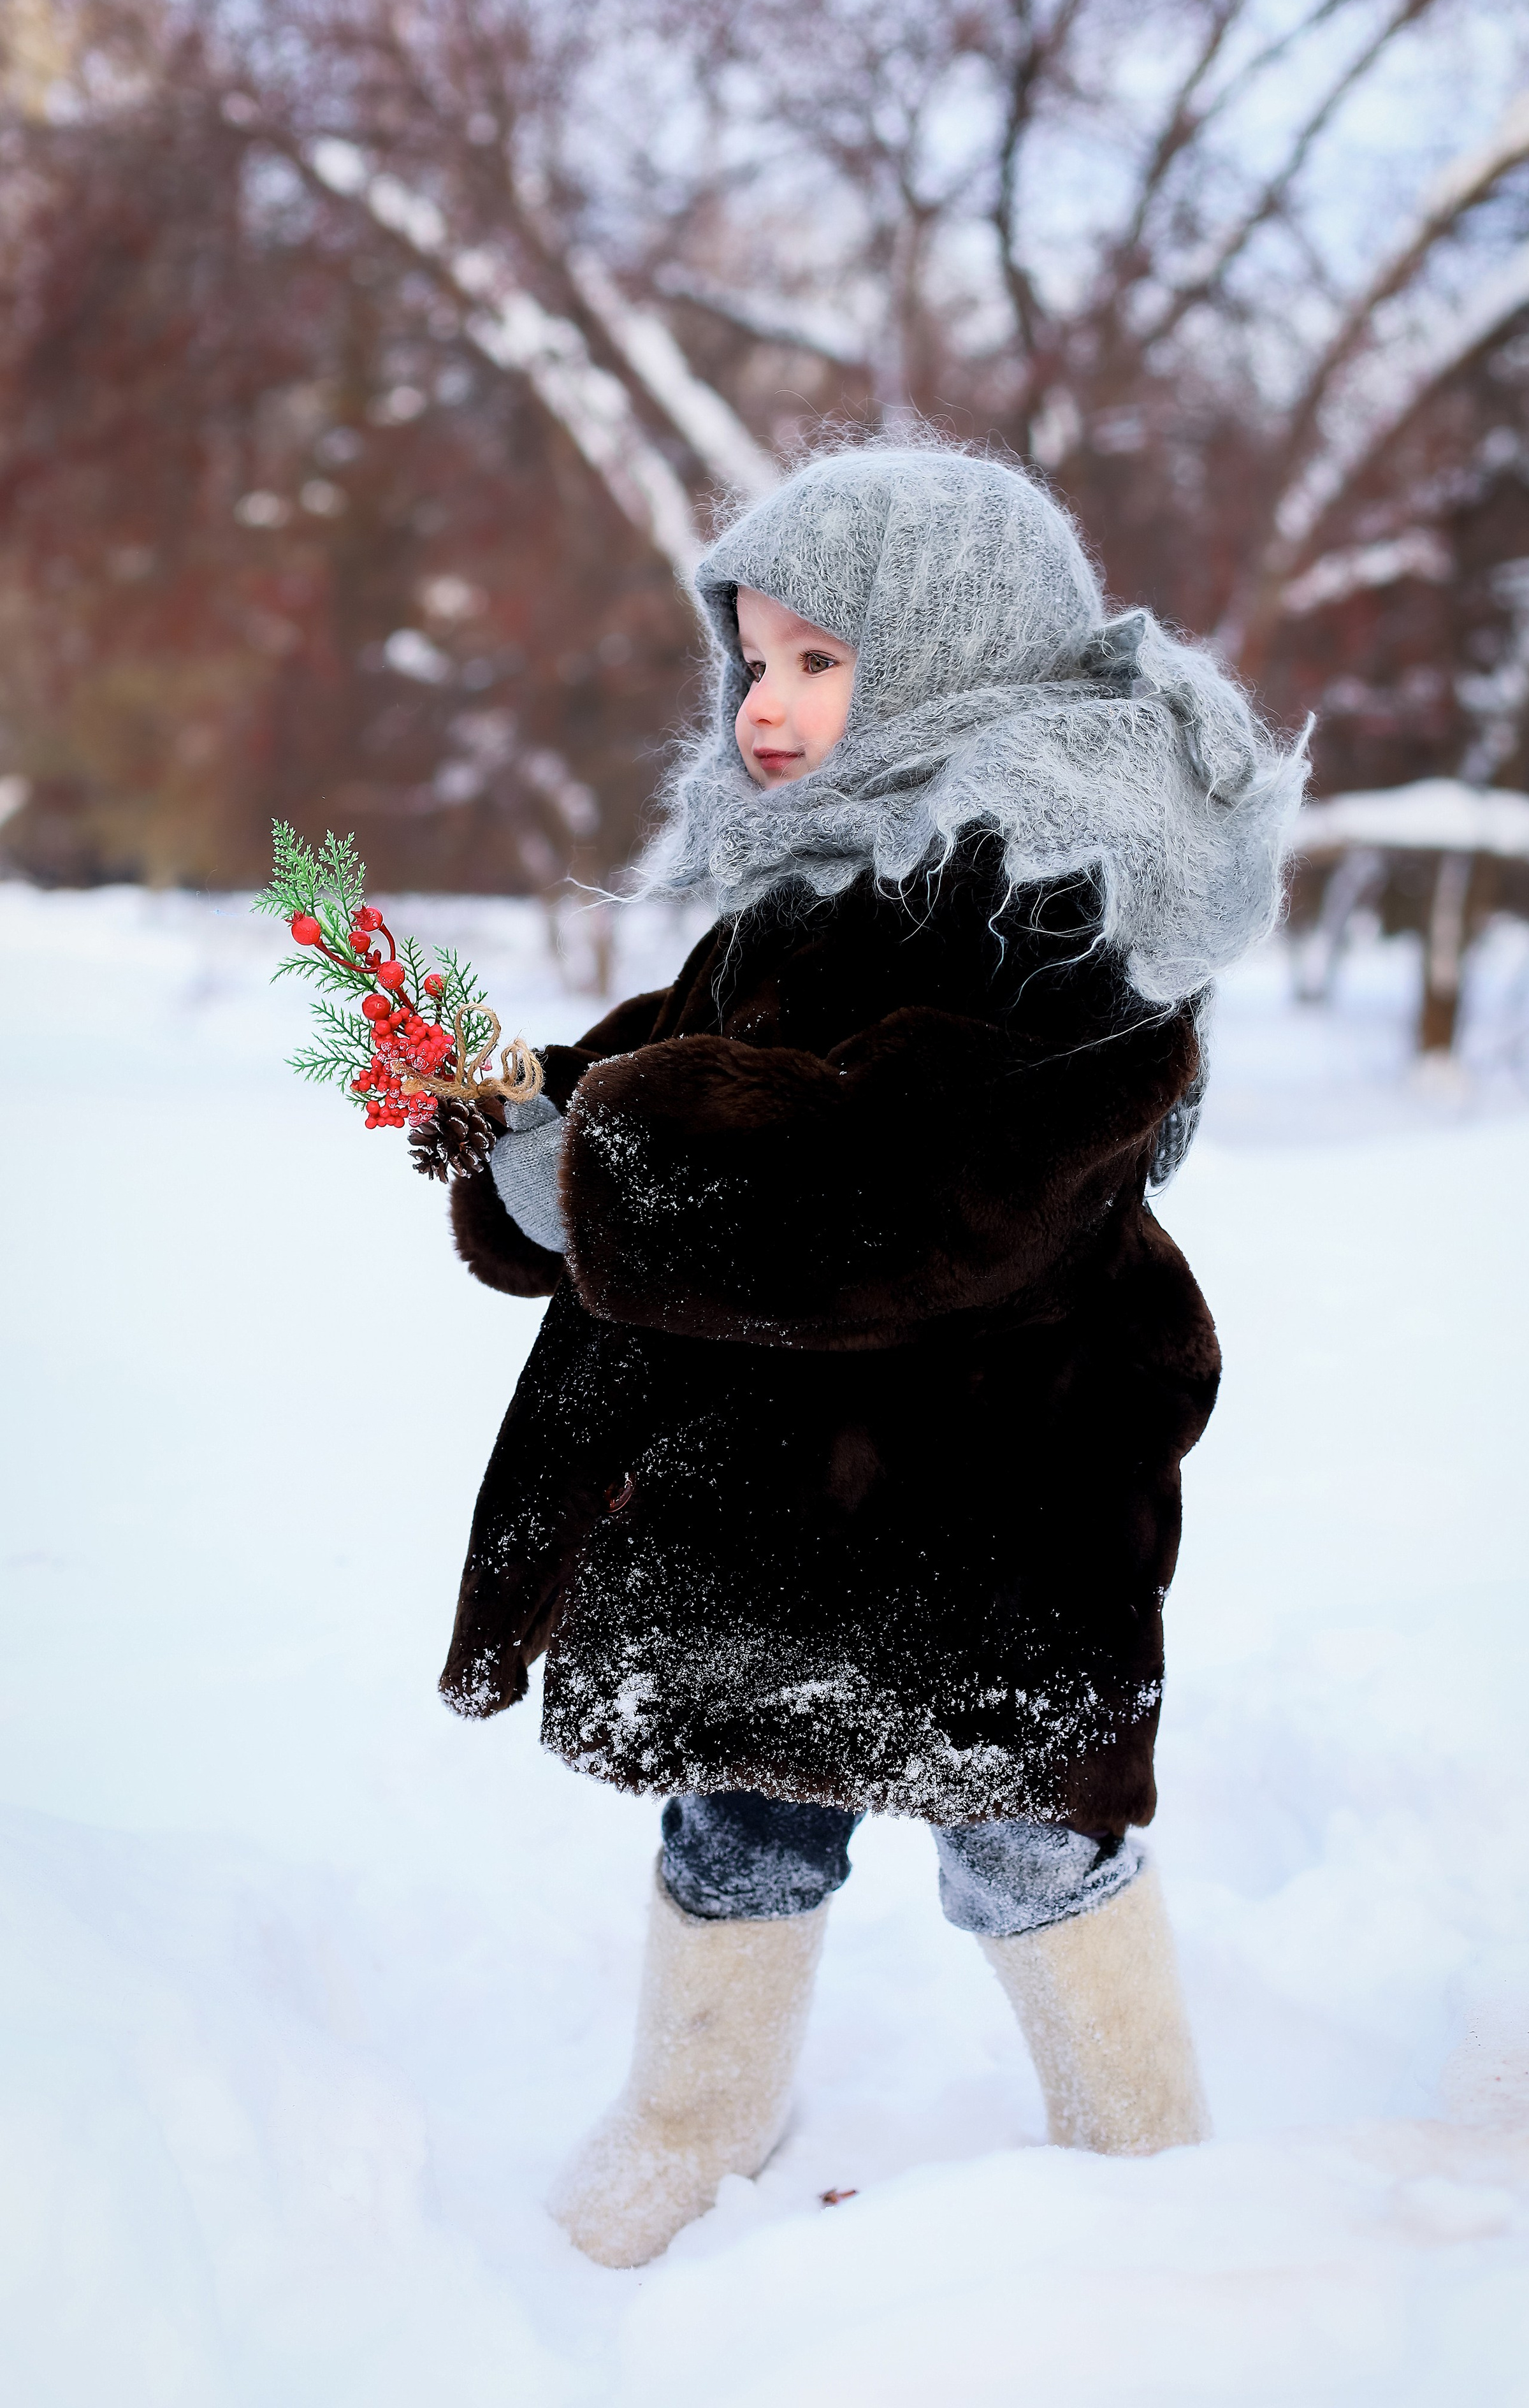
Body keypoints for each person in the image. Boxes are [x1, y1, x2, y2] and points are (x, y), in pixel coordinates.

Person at [437, 440, 1306, 2268]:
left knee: (1027, 1834)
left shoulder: (1064, 918)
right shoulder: (802, 893)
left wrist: (607, 1172)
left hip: (996, 1503)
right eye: (753, 660)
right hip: (763, 1499)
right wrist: (525, 1127)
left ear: (948, 652)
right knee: (736, 1816)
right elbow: (675, 1070)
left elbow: (908, 1186)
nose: (764, 704)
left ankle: (1148, 2150)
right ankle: (696, 2115)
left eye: (818, 660)